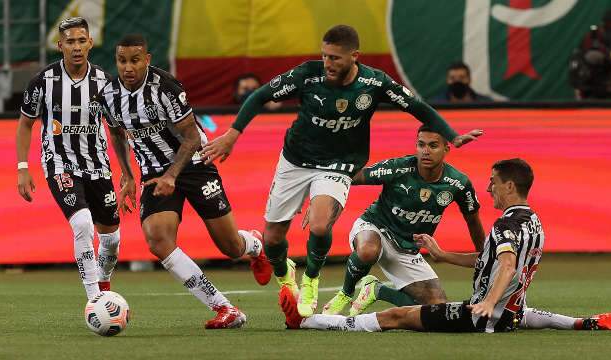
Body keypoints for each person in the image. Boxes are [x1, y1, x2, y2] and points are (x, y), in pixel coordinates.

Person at [202, 24, 483, 317]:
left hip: (339, 163)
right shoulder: (307, 74)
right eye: (324, 56)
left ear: (355, 57)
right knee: (273, 239)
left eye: (335, 58)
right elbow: (260, 95)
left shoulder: (374, 83)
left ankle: (311, 279)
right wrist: (233, 134)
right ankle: (285, 273)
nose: (327, 63)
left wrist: (451, 135)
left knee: (321, 225)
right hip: (296, 161)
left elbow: (417, 107)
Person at [280, 159, 611, 332]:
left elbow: (504, 266)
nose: (488, 189)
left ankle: (306, 322)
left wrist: (487, 303)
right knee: (526, 316)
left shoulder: (505, 224)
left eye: (493, 183)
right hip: (511, 315)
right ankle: (582, 323)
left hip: (481, 317)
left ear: (509, 186)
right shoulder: (534, 223)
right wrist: (444, 255)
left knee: (395, 318)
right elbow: (495, 260)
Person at [95, 34, 271, 329]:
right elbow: (116, 133)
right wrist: (127, 175)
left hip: (194, 164)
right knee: (158, 240)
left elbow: (190, 137)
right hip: (153, 172)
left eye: (135, 60)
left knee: (230, 248)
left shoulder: (166, 87)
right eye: (122, 60)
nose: (128, 67)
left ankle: (253, 244)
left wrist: (172, 176)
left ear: (147, 60)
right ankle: (225, 308)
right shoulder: (109, 96)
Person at [321, 124, 485, 316]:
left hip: (407, 250)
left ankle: (376, 290)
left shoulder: (459, 183)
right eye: (421, 145)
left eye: (433, 146)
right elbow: (353, 177)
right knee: (368, 251)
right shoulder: (397, 168)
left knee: (437, 308)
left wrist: (485, 257)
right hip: (375, 228)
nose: (425, 151)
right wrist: (320, 197)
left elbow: (473, 221)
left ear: (446, 149)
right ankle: (346, 293)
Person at [16, 17, 121, 300]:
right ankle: (94, 300)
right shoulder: (43, 81)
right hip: (59, 164)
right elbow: (26, 123)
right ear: (60, 45)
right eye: (70, 42)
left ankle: (104, 281)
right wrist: (23, 167)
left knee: (111, 240)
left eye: (81, 40)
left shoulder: (105, 82)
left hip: (99, 167)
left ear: (90, 43)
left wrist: (129, 175)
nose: (76, 47)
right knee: (83, 224)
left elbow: (116, 129)